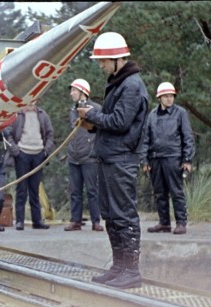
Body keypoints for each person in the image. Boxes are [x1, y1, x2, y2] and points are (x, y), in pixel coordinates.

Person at [76, 32, 149, 289]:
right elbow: (113, 122)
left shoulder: (131, 86)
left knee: (124, 215)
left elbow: (119, 122)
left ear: (117, 59)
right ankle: (119, 267)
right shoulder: (119, 83)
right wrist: (92, 125)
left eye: (103, 61)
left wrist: (93, 114)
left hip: (121, 159)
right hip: (109, 156)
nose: (100, 65)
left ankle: (131, 271)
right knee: (110, 214)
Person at [140, 82, 195, 235]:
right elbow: (146, 139)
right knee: (159, 193)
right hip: (155, 158)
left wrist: (187, 160)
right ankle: (164, 223)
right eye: (166, 96)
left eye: (171, 96)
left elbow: (188, 137)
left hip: (173, 158)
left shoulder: (180, 113)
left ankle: (181, 223)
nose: (169, 99)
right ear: (159, 98)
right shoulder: (151, 115)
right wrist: (144, 160)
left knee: (176, 192)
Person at [3, 100, 55, 231]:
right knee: (21, 189)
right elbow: (7, 133)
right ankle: (19, 221)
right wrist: (16, 151)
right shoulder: (17, 114)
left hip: (38, 155)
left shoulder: (43, 114)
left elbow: (50, 134)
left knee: (35, 189)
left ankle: (37, 220)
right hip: (22, 155)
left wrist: (45, 151)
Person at [64, 79, 104, 232]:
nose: (71, 93)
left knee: (92, 190)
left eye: (74, 90)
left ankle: (96, 221)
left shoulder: (96, 109)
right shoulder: (72, 109)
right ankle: (76, 221)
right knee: (75, 191)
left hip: (89, 157)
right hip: (74, 156)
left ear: (83, 92)